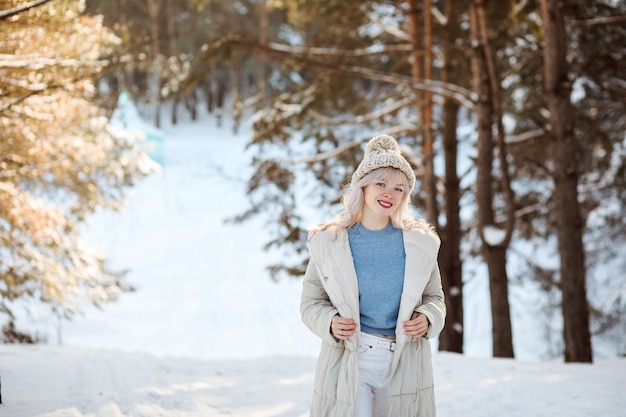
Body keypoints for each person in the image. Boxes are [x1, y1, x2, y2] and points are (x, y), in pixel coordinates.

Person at [300, 134, 446, 417]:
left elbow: (435, 297)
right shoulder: (330, 242)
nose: (389, 193)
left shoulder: (420, 244)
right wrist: (329, 322)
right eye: (381, 183)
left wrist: (429, 317)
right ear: (363, 187)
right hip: (351, 359)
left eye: (399, 188)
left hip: (405, 361)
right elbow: (310, 303)